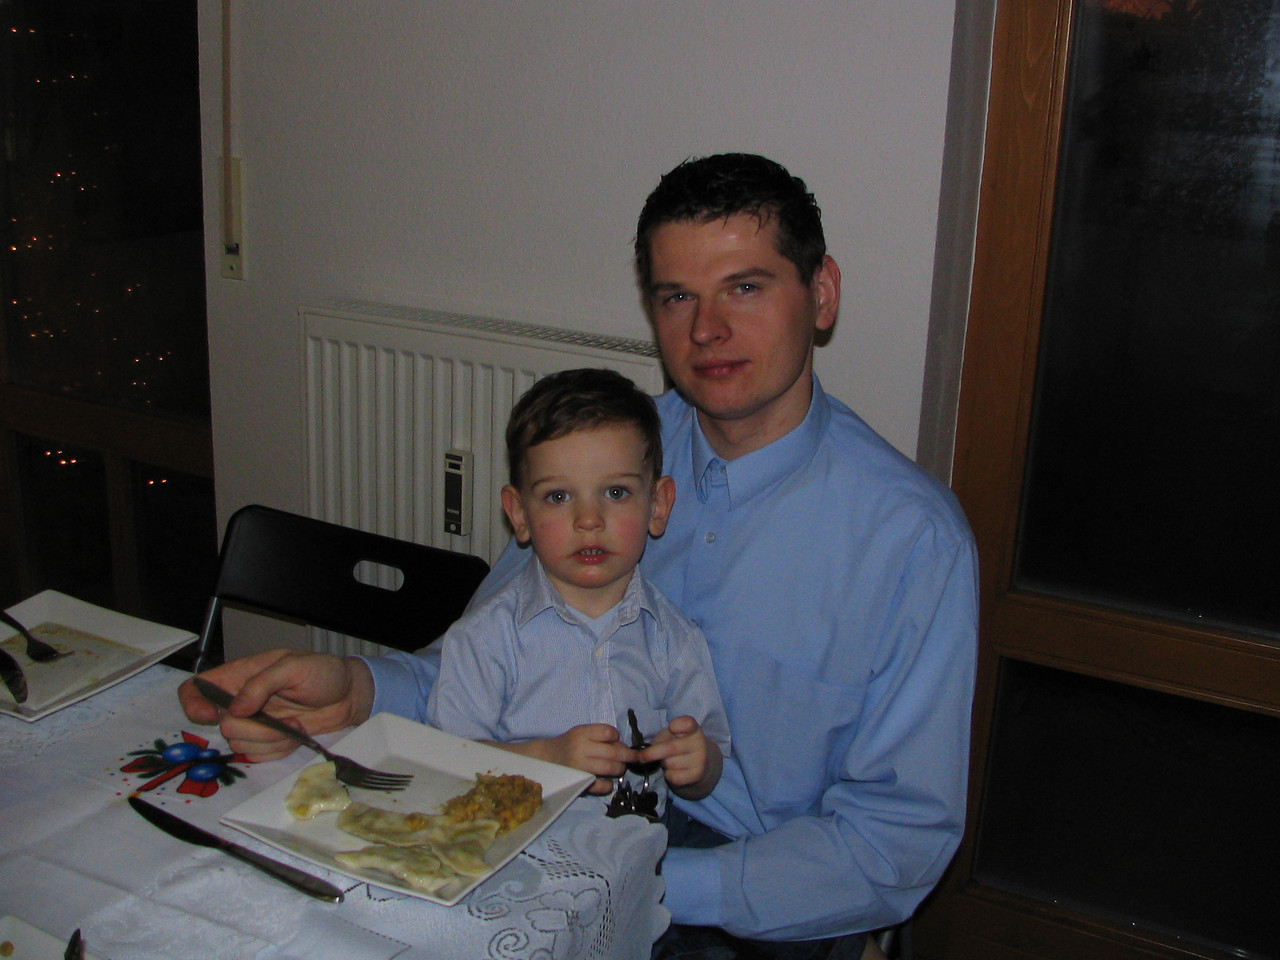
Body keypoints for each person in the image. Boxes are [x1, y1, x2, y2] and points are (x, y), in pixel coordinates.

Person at [180, 154, 978, 960]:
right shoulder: (603, 458)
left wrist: (639, 882)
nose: (706, 330)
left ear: (822, 292)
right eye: (677, 296)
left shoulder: (911, 540)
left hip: (747, 901)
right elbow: (491, 659)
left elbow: (893, 843)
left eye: (745, 286)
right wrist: (357, 690)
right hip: (554, 823)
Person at [427, 367, 729, 809]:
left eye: (616, 493)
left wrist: (699, 764)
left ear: (658, 505)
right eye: (558, 497)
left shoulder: (674, 639)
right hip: (520, 841)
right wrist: (546, 759)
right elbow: (447, 764)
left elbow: (708, 762)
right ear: (519, 514)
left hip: (638, 846)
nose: (589, 520)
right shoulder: (485, 638)